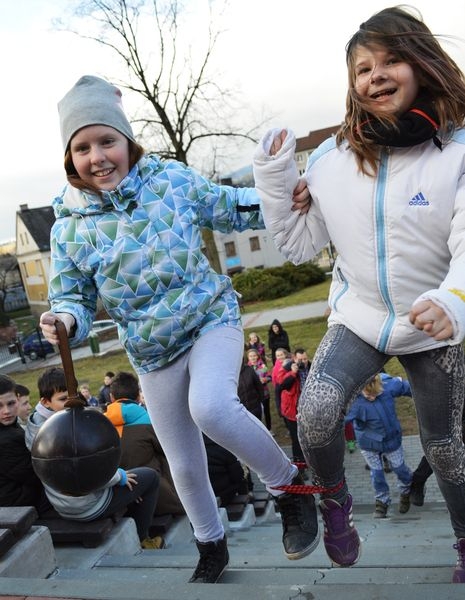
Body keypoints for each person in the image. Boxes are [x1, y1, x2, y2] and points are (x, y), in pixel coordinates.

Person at [38, 74, 315, 584]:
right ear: (69, 158)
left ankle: (288, 487)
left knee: (210, 406)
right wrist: (67, 320)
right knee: (184, 462)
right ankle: (211, 544)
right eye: (82, 147)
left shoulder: (170, 181)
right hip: (151, 351)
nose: (97, 156)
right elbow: (72, 296)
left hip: (210, 318)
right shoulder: (68, 228)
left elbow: (230, 208)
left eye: (107, 141)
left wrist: (285, 197)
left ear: (128, 141)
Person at [253, 6, 465, 582]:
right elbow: (298, 244)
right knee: (316, 414)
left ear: (422, 63)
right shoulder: (333, 159)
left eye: (392, 59)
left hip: (436, 323)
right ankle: (335, 505)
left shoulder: (458, 151)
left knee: (446, 449)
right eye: (363, 67)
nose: (377, 75)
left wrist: (454, 300)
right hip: (362, 317)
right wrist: (275, 181)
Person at [24, 367, 161, 547]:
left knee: (133, 481)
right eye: (63, 399)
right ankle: (144, 539)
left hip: (61, 504)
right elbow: (83, 477)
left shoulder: (35, 428)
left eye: (72, 396)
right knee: (150, 477)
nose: (69, 404)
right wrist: (119, 477)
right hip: (88, 505)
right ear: (46, 401)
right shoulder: (62, 433)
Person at [105, 371, 185, 517]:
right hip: (157, 496)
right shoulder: (150, 419)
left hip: (119, 497)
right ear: (138, 396)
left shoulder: (100, 425)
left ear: (111, 398)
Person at [345, 373, 413, 518]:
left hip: (391, 439)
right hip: (368, 443)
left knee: (399, 468)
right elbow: (339, 419)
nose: (372, 397)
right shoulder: (354, 402)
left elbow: (408, 387)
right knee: (377, 474)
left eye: (376, 394)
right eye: (368, 395)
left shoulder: (388, 385)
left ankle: (407, 490)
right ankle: (382, 501)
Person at [0, 375, 50, 515]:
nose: (6, 411)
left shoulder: (10, 429)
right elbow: (38, 474)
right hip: (21, 508)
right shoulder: (6, 440)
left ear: (17, 398)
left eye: (10, 403)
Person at [203, 435, 250, 507]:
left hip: (200, 497)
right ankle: (247, 499)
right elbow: (237, 476)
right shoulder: (224, 448)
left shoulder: (191, 450)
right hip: (224, 495)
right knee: (242, 477)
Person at [247, 347, 273, 431]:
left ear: (258, 356)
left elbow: (269, 377)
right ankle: (258, 429)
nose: (253, 358)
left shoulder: (263, 366)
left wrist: (266, 379)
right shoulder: (247, 368)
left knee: (266, 411)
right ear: (248, 357)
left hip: (264, 393)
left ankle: (269, 429)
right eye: (251, 356)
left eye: (254, 356)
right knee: (256, 412)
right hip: (253, 395)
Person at [237, 356, 264, 421]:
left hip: (255, 406)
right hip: (240, 410)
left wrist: (259, 401)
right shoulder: (229, 374)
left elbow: (259, 386)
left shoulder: (249, 369)